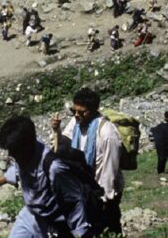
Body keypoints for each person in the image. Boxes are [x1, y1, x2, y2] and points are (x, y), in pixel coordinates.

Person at [0, 115, 107, 238]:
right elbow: (17, 169)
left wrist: (80, 233)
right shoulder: (22, 153)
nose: (11, 154)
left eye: (14, 151)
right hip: (31, 216)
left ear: (26, 147)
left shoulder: (54, 168)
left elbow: (74, 201)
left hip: (55, 224)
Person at [50, 88, 124, 235]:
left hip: (103, 189)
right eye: (74, 111)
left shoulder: (107, 133)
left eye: (81, 112)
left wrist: (104, 198)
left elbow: (110, 169)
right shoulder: (76, 122)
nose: (76, 115)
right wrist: (56, 130)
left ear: (93, 110)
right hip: (86, 186)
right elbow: (64, 144)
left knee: (109, 223)